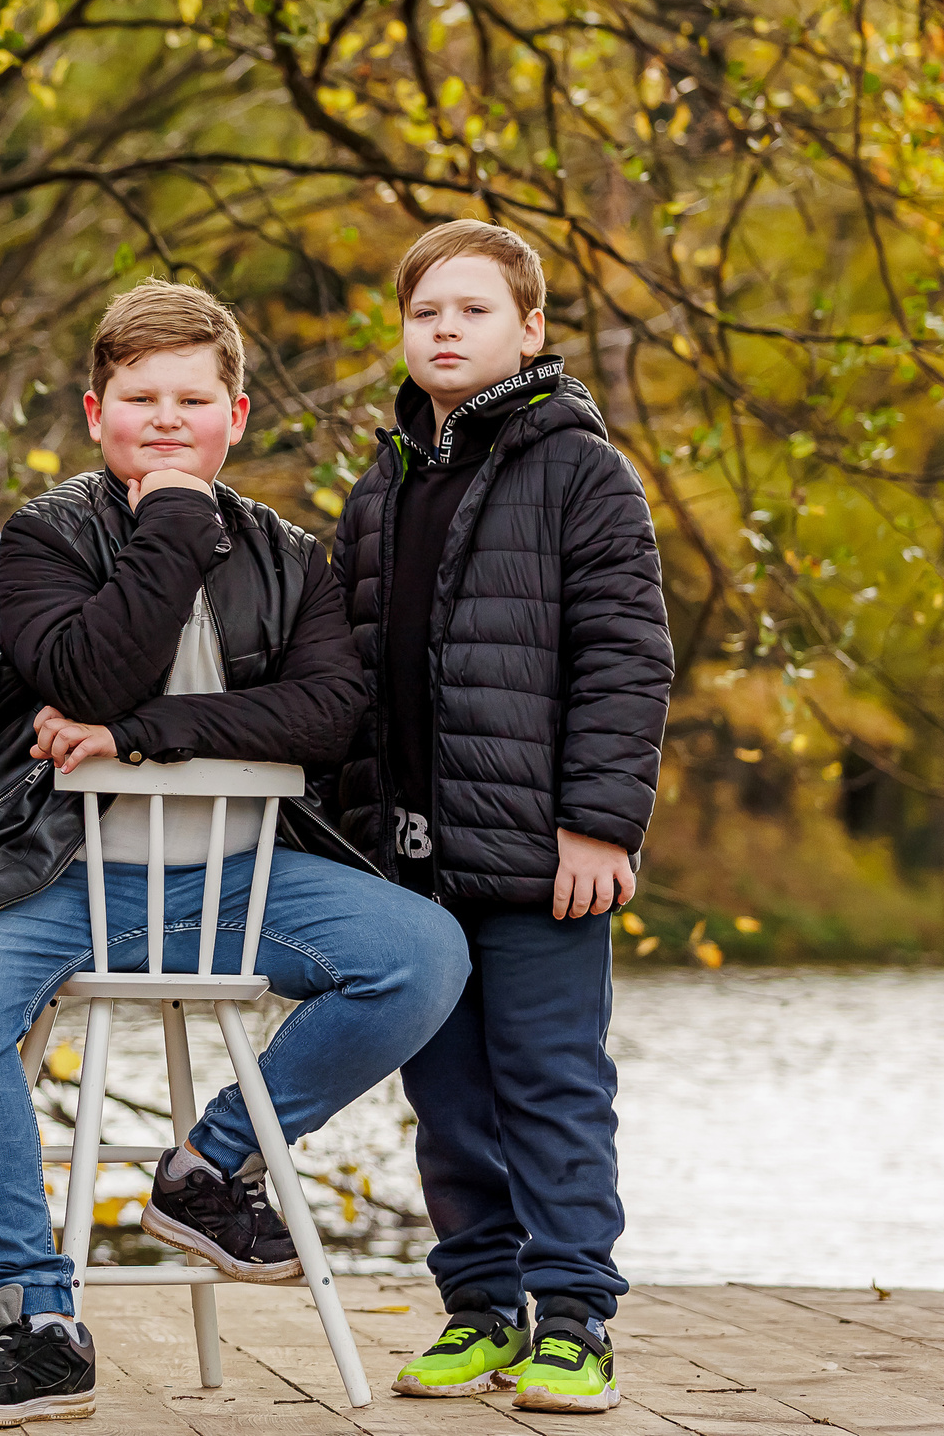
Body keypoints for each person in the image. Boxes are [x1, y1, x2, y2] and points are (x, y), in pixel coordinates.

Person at [0, 281, 472, 1427]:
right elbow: (83, 675)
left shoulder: (290, 557)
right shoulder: (45, 538)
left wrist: (145, 737)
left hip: (235, 885)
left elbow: (326, 716)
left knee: (423, 953)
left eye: (191, 399)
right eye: (141, 398)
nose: (166, 419)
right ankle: (34, 1317)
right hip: (56, 877)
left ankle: (209, 1167)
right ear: (94, 410)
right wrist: (167, 522)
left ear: (238, 414)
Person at [333, 220, 672, 1413]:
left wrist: (600, 824)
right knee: (449, 1099)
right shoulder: (384, 481)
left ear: (529, 331)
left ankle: (574, 1319)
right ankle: (480, 1310)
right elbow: (355, 671)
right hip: (412, 863)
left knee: (551, 1083)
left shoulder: (579, 467)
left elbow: (627, 658)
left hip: (541, 855)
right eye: (425, 311)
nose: (443, 330)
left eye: (472, 311)